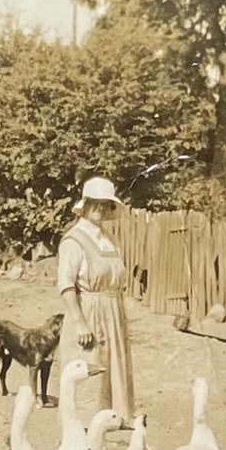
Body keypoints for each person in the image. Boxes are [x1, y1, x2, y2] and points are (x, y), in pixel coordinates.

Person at [57, 176, 135, 421]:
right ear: (85, 204)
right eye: (96, 203)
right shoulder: (74, 240)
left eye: (106, 204)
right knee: (90, 376)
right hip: (88, 313)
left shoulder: (108, 238)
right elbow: (66, 285)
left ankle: (104, 442)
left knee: (113, 377)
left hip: (112, 313)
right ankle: (79, 443)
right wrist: (80, 323)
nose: (101, 209)